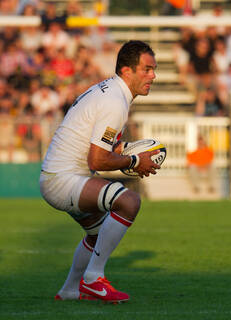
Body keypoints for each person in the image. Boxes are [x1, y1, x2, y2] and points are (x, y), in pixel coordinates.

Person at [39, 40, 160, 303]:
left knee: (97, 234)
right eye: (147, 69)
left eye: (154, 69)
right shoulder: (115, 101)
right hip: (64, 179)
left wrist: (128, 151)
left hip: (59, 175)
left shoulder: (110, 93)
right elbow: (97, 160)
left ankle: (71, 290)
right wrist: (134, 162)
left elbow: (104, 147)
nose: (153, 75)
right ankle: (94, 279)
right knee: (129, 202)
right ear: (127, 71)